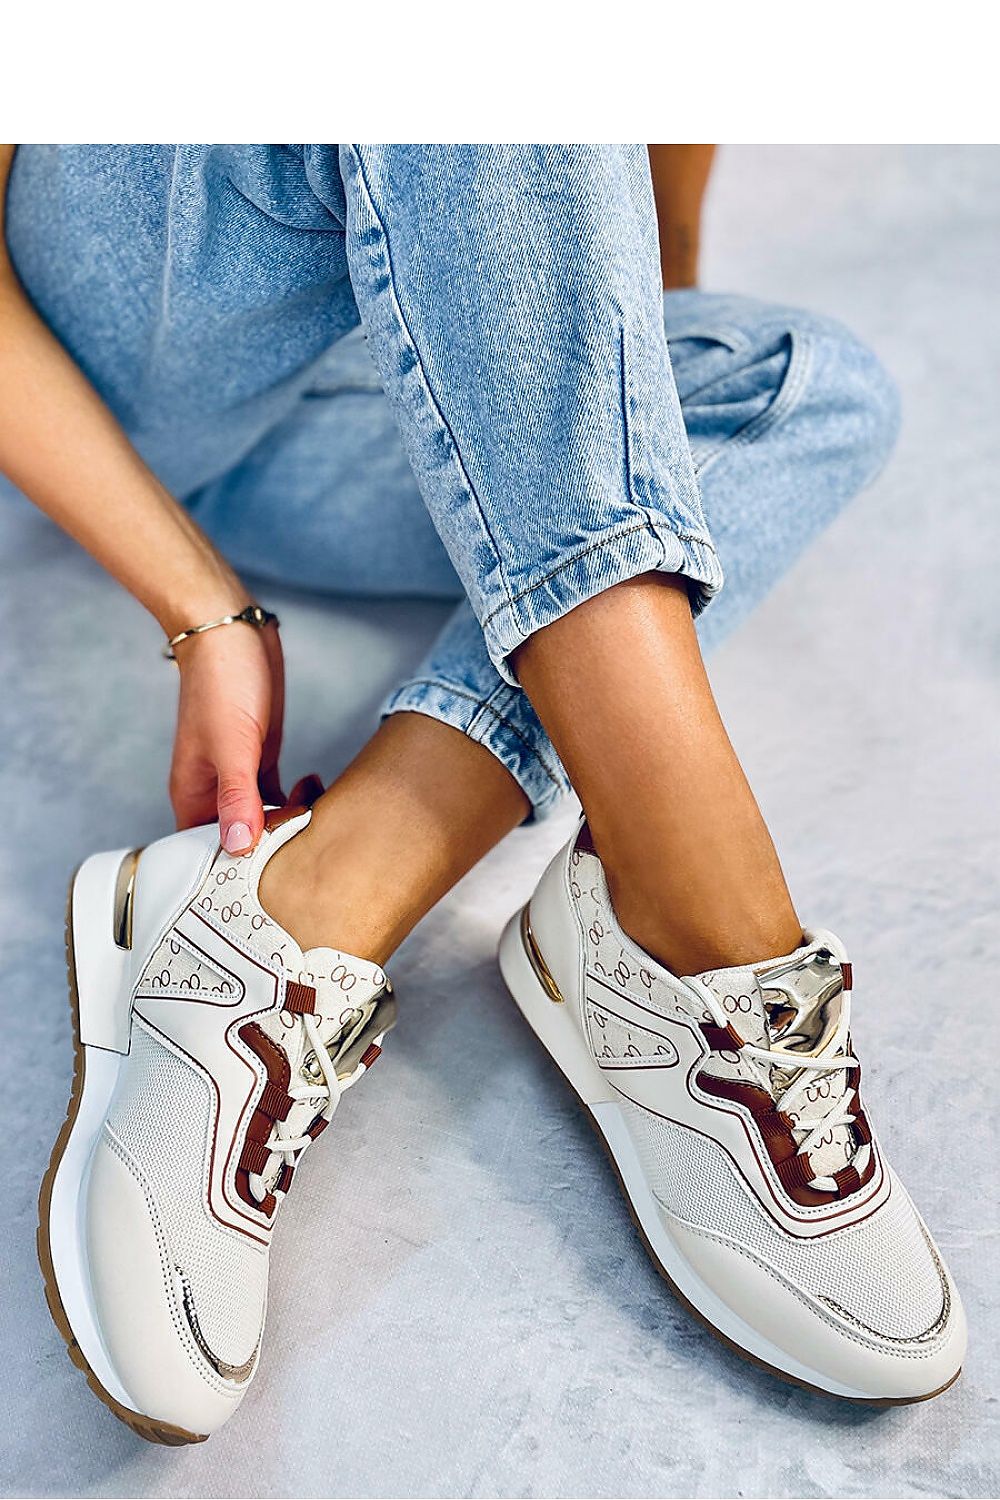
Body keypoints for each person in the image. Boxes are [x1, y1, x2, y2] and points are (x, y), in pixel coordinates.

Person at [2, 144, 965, 1444]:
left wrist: (596, 403)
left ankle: (319, 891)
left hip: (382, 351)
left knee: (807, 386)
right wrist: (200, 605)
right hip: (135, 347)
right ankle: (698, 923)